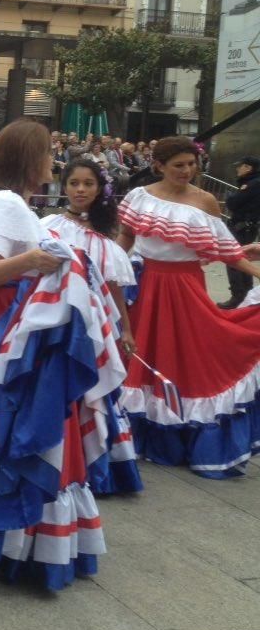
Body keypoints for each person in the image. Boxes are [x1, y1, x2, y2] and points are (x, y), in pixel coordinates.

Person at [0, 119, 126, 589]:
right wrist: (38, 260)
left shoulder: (14, 204)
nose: (53, 160)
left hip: (7, 320)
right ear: (28, 159)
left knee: (5, 429)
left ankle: (2, 536)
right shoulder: (3, 203)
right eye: (47, 153)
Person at [117, 136, 260, 477]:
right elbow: (126, 237)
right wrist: (106, 266)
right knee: (142, 356)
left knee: (192, 357)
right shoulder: (139, 196)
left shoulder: (206, 200)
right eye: (178, 165)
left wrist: (255, 269)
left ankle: (189, 438)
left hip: (185, 287)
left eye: (191, 164)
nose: (186, 171)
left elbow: (228, 250)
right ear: (159, 166)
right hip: (144, 285)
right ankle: (136, 437)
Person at [40, 159, 143, 495]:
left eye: (88, 184)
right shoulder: (48, 225)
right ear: (63, 186)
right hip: (55, 322)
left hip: (96, 326)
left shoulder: (104, 240)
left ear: (100, 189)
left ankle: (93, 462)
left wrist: (125, 329)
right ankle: (58, 455)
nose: (80, 190)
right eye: (74, 184)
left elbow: (115, 289)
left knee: (96, 392)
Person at [219, 156, 260, 308]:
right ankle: (245, 294)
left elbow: (233, 203)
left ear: (248, 168)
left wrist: (230, 196)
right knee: (244, 259)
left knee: (234, 260)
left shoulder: (252, 184)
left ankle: (238, 295)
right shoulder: (252, 182)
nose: (238, 169)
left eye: (240, 166)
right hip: (246, 226)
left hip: (242, 227)